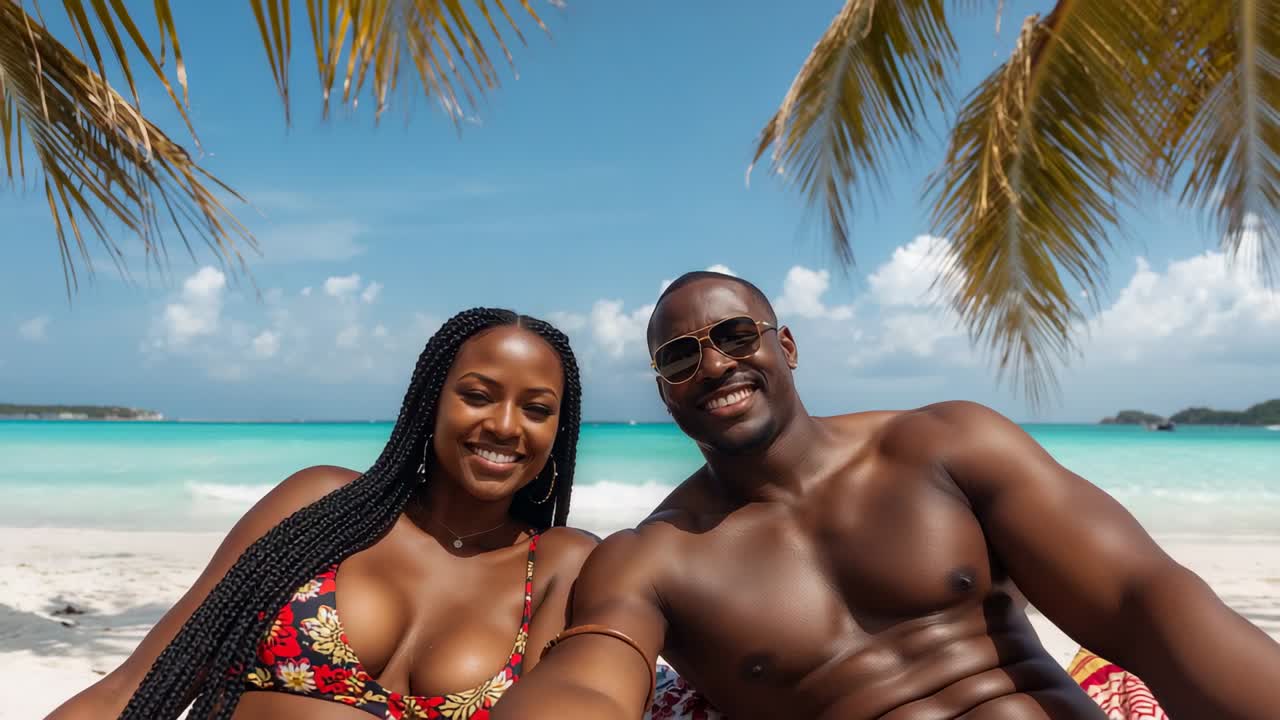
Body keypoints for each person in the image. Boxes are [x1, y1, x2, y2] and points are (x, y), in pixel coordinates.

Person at [495, 272, 1280, 719]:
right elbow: (588, 683)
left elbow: (1147, 604)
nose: (715, 365)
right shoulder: (652, 558)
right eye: (678, 358)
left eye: (735, 336)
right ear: (666, 393)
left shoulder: (943, 447)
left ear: (785, 345)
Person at [48, 308, 598, 720]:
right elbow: (132, 690)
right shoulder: (321, 507)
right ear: (432, 401)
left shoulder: (559, 566)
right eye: (478, 396)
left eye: (536, 409)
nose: (505, 425)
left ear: (558, 431)